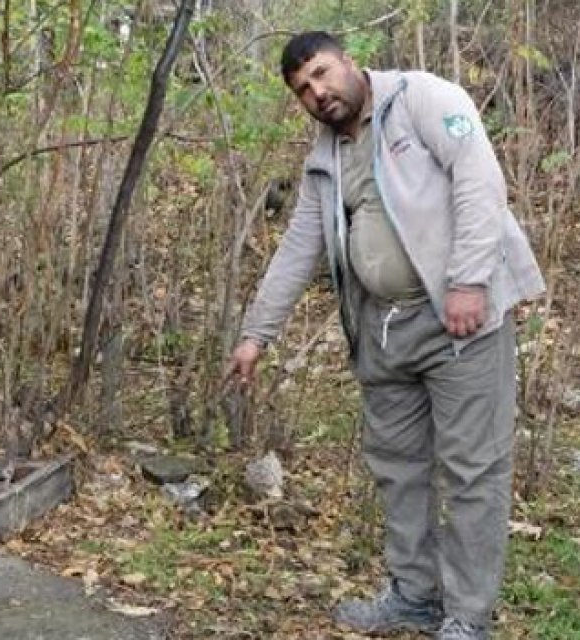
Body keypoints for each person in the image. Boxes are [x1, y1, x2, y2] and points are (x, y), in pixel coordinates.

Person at [225, 31, 546, 640]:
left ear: (348, 60)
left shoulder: (424, 98)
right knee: (398, 467)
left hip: (460, 321)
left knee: (472, 470)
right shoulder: (324, 156)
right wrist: (255, 336)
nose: (317, 92)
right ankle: (414, 595)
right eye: (303, 89)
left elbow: (479, 181)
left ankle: (468, 616)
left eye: (321, 73)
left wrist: (470, 282)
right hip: (382, 329)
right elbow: (300, 246)